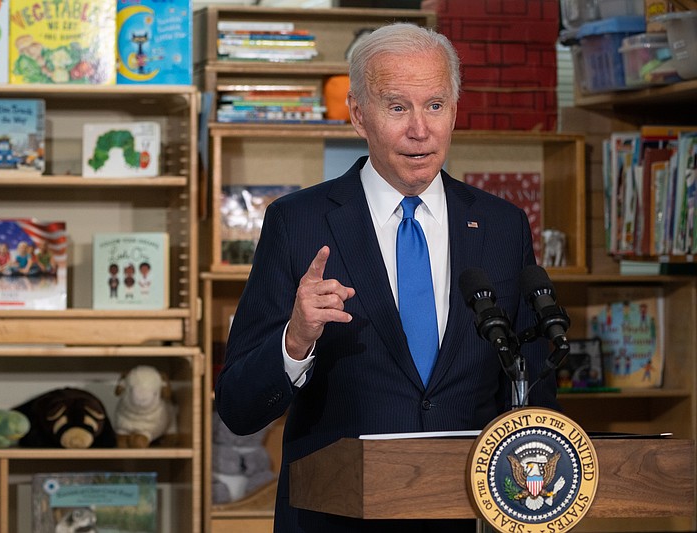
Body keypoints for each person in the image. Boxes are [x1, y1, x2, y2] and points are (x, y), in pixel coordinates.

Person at [214, 23, 559, 533]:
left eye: (435, 105)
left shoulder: (501, 225)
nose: (420, 129)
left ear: (455, 111)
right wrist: (295, 339)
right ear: (358, 114)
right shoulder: (299, 222)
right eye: (398, 107)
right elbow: (239, 408)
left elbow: (534, 399)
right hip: (335, 518)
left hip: (466, 517)